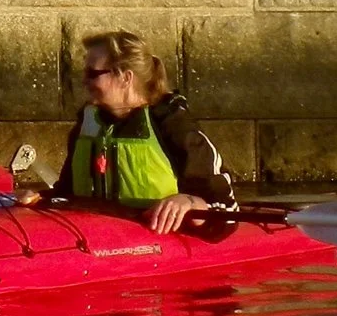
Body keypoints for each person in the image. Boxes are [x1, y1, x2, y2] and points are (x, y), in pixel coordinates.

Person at [47, 30, 235, 235]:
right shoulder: (89, 123)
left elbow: (227, 210)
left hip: (157, 240)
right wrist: (41, 198)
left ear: (125, 78)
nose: (84, 81)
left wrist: (190, 202)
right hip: (98, 237)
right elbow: (66, 192)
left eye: (92, 73)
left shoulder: (172, 125)